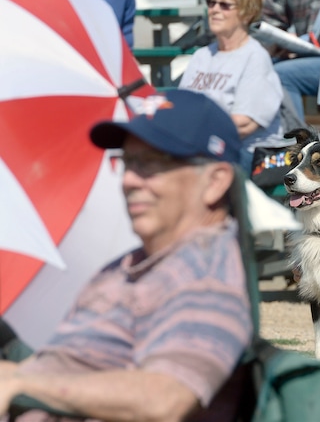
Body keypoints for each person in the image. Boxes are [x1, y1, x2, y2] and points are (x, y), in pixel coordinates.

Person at [0, 89, 252, 420]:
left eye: (152, 162)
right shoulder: (132, 265)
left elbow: (167, 397)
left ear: (216, 181)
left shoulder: (205, 275)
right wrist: (19, 376)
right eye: (128, 162)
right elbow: (59, 359)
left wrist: (23, 385)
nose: (130, 179)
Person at [179, 0, 290, 175]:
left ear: (246, 14)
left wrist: (193, 130)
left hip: (247, 152)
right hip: (204, 145)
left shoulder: (255, 56)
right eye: (211, 3)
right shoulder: (201, 56)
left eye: (224, 5)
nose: (214, 10)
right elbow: (182, 107)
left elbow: (243, 124)